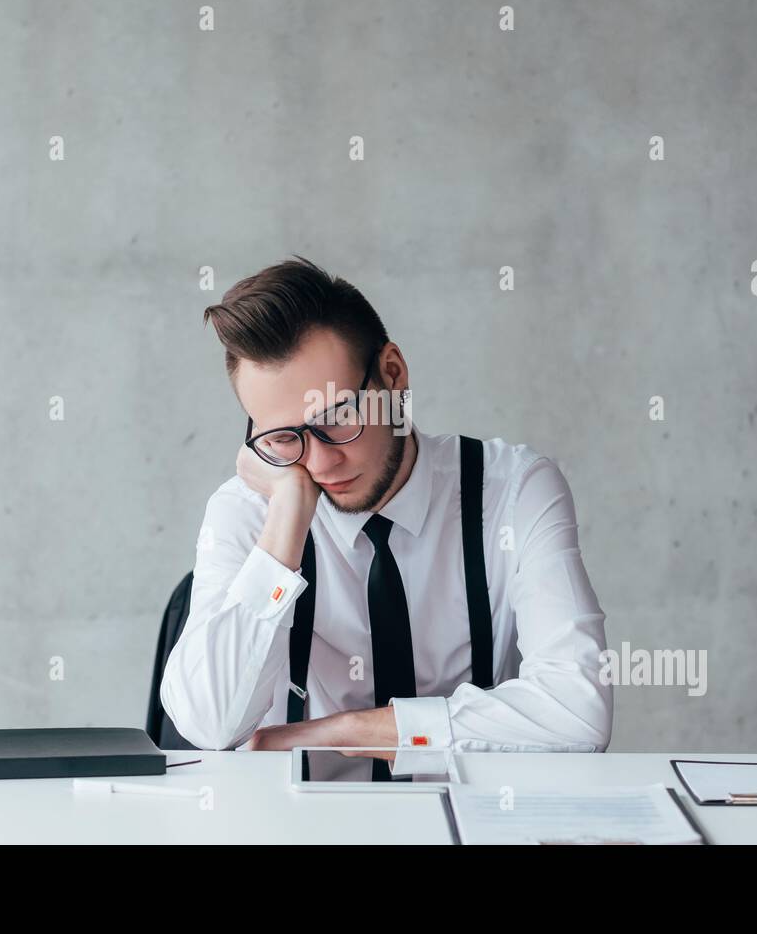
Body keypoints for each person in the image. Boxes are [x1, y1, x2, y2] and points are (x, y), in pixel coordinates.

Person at [160, 256, 612, 761]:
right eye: (284, 438)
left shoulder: (513, 491)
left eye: (338, 417)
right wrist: (286, 519)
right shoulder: (248, 510)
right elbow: (208, 725)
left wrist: (350, 731)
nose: (320, 462)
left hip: (472, 807)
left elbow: (578, 711)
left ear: (392, 374)